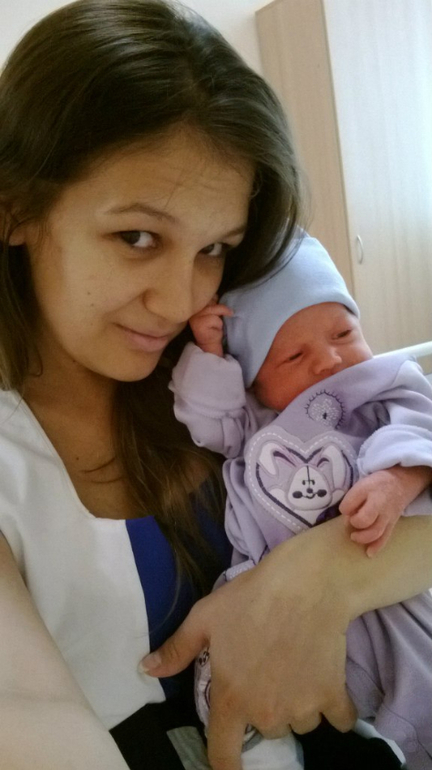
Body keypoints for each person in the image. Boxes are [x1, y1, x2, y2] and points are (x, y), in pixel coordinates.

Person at [1, 2, 432, 770]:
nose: (181, 299)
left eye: (215, 247)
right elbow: (25, 707)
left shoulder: (234, 368)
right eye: (137, 237)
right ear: (16, 210)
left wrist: (317, 577)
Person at [170, 233, 432, 769]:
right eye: (293, 355)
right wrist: (211, 354)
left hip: (387, 579)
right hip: (272, 590)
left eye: (343, 333)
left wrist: (398, 479)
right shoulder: (253, 423)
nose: (330, 360)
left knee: (416, 675)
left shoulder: (381, 386)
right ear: (253, 381)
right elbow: (205, 420)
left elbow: (420, 425)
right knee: (241, 659)